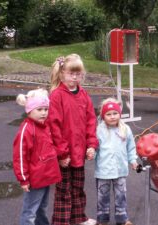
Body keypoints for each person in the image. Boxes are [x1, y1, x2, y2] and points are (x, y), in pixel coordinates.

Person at [48, 54, 99, 225]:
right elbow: (54, 126)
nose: (75, 77)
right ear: (62, 73)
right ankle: (61, 221)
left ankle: (78, 218)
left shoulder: (84, 94)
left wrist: (92, 145)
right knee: (64, 190)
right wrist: (62, 153)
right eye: (71, 73)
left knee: (78, 188)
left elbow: (91, 121)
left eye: (78, 73)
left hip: (79, 153)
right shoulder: (57, 95)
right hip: (65, 155)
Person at [12, 88, 62, 225]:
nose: (44, 113)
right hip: (35, 179)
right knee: (30, 212)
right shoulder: (26, 130)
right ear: (29, 110)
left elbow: (48, 148)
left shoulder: (44, 126)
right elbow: (20, 157)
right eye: (39, 109)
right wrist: (23, 179)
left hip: (46, 176)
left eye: (46, 109)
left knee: (42, 208)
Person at [95, 97, 138, 225]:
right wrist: (91, 153)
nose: (112, 117)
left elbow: (131, 147)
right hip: (103, 171)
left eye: (115, 113)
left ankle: (122, 218)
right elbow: (95, 147)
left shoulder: (125, 129)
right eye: (108, 114)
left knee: (121, 196)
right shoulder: (98, 130)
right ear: (103, 116)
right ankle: (102, 219)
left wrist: (133, 160)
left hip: (121, 170)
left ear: (119, 114)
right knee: (102, 196)